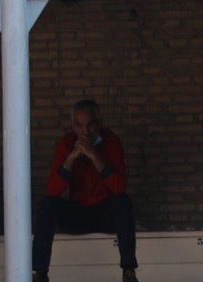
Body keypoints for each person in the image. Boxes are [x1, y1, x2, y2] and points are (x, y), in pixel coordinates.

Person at [31, 99, 138, 282]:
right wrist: (71, 158)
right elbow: (52, 190)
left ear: (99, 123)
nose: (85, 132)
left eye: (90, 126)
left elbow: (119, 188)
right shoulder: (67, 142)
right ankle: (40, 272)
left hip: (104, 213)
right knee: (47, 204)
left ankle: (128, 270)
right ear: (73, 126)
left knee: (123, 202)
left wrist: (94, 156)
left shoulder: (110, 141)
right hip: (78, 213)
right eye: (79, 126)